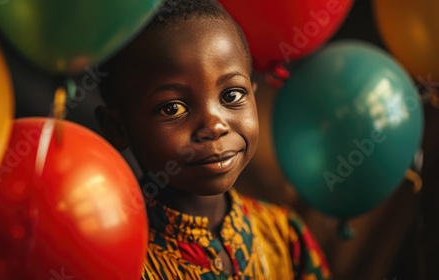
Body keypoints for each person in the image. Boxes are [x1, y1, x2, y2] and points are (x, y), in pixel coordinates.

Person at [96, 0, 331, 279]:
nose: (214, 126)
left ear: (253, 94)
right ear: (117, 128)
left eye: (231, 95)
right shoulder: (112, 260)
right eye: (172, 108)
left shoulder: (285, 236)